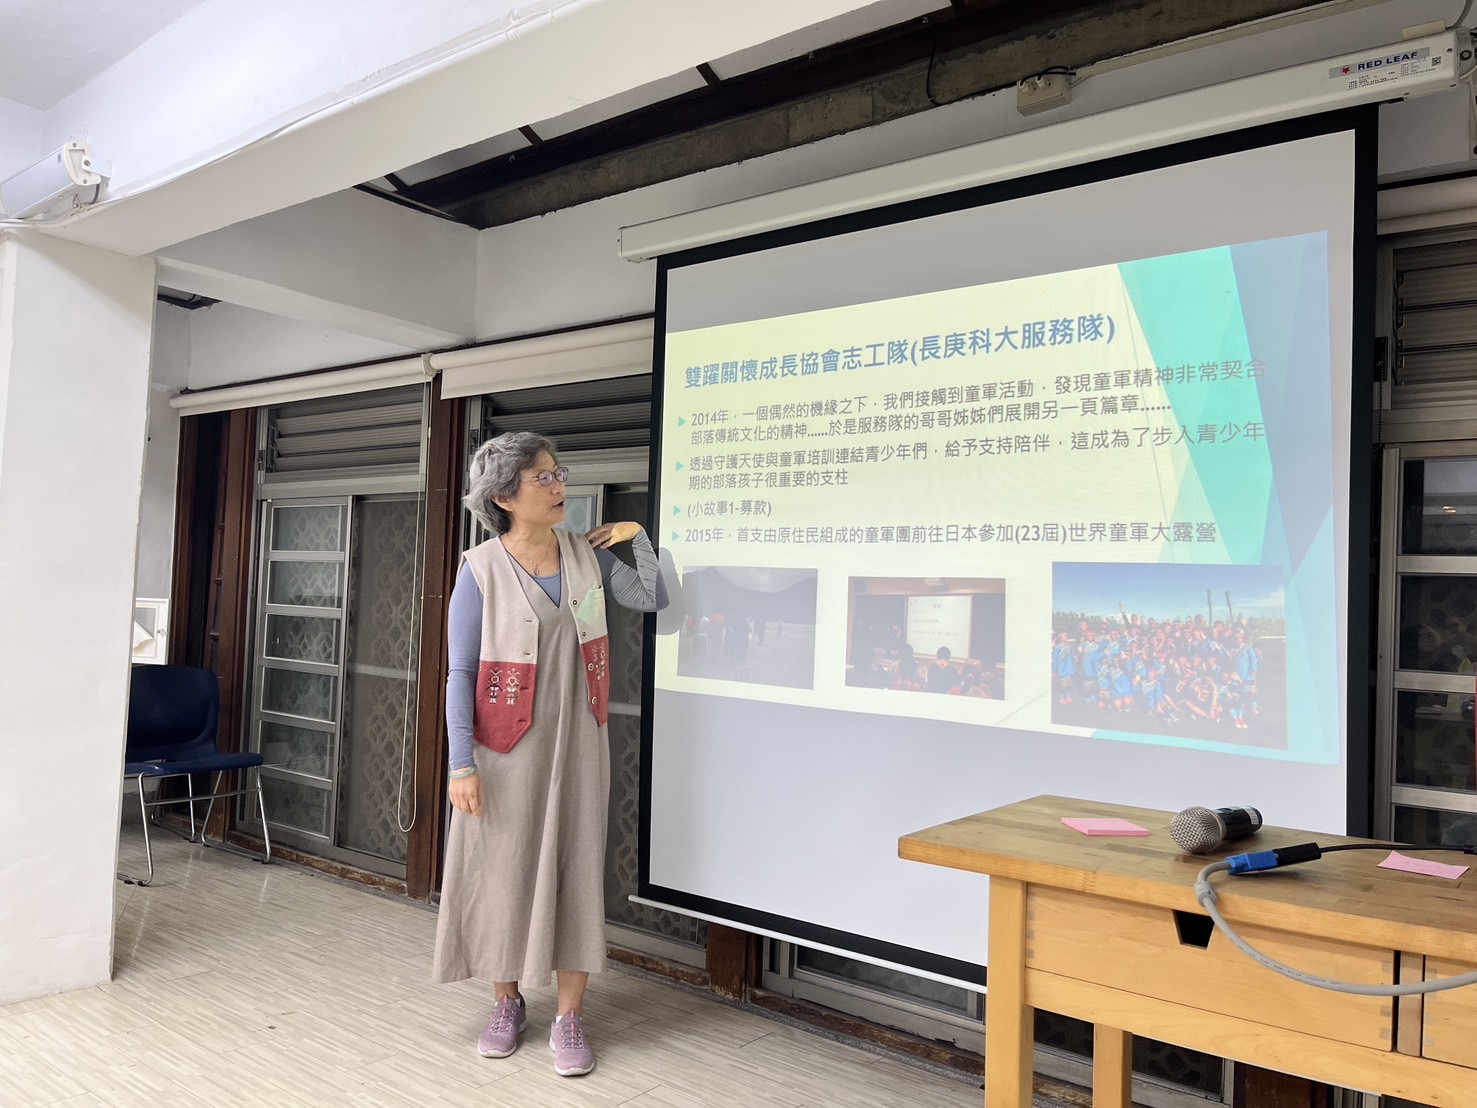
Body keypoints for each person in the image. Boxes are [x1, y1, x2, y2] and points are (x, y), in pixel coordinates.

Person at [433, 432, 666, 1077]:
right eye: (543, 477)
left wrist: (637, 537)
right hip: (503, 749)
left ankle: (568, 1016)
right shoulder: (479, 568)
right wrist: (460, 763)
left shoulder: (588, 555)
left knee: (576, 865)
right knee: (501, 868)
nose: (559, 484)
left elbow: (652, 597)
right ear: (505, 497)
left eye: (558, 472)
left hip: (580, 742)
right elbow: (459, 672)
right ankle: (506, 1001)